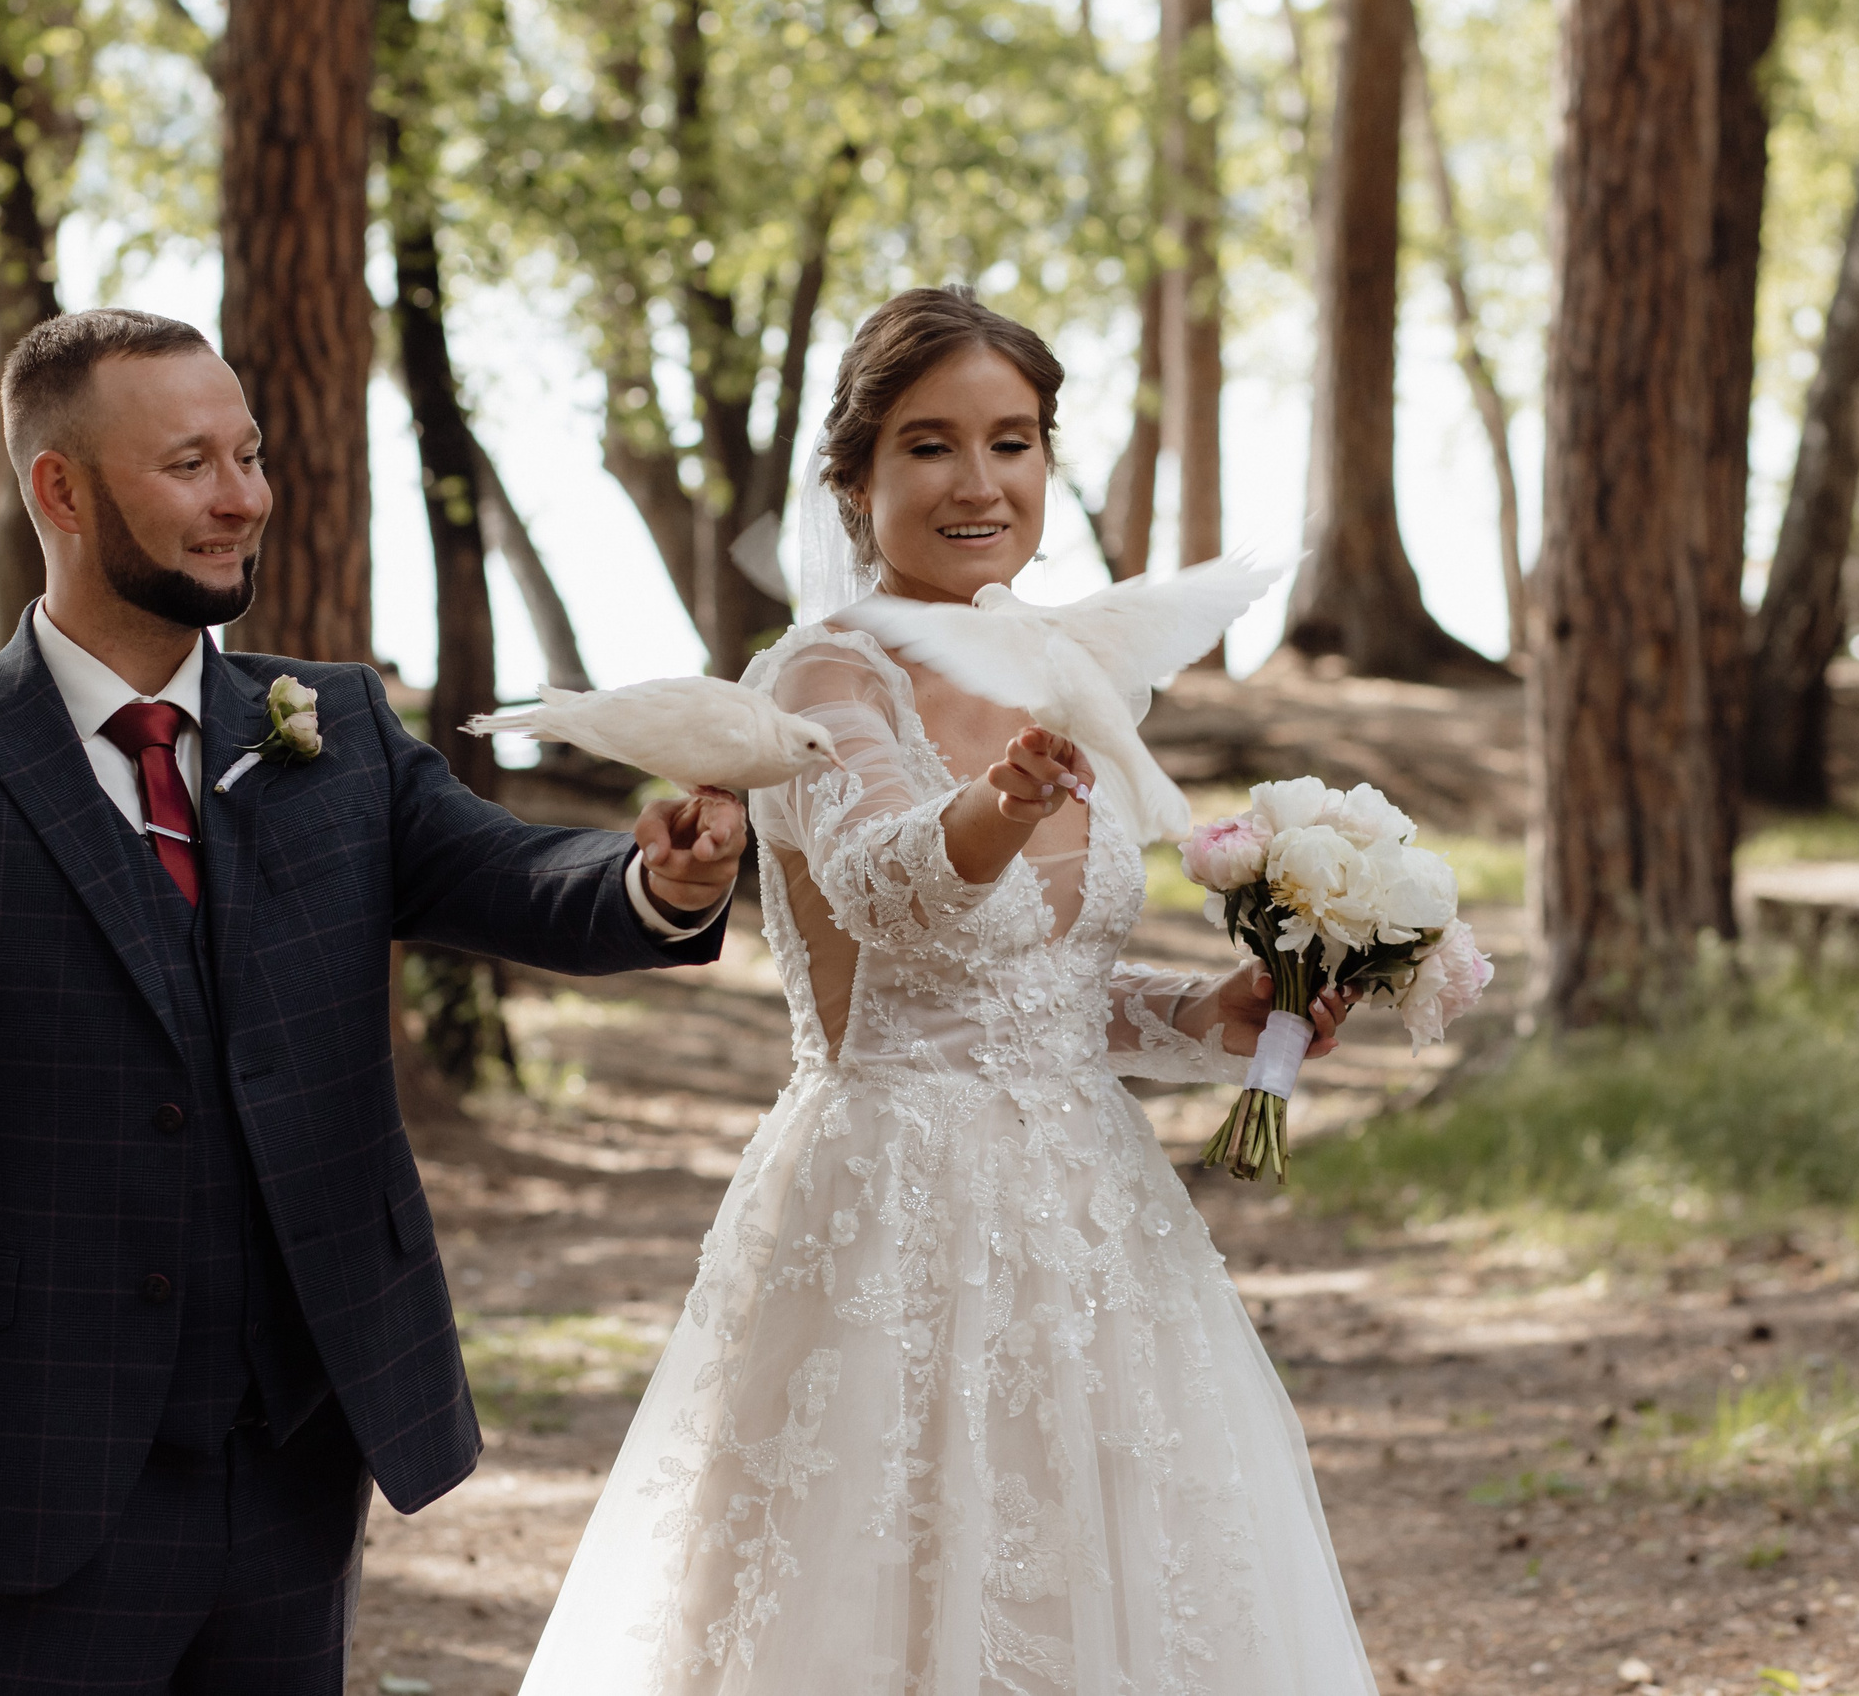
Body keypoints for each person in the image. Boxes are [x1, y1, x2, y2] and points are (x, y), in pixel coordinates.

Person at [0, 308, 744, 1692]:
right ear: (62, 492)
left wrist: (662, 884)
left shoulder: (331, 730)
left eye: (250, 453)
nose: (245, 499)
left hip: (295, 1459)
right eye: (191, 465)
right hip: (26, 1472)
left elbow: (520, 879)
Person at [518, 286, 1376, 1695]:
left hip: (1095, 1226)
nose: (979, 482)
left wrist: (1211, 1016)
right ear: (855, 480)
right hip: (889, 1214)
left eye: (1013, 441)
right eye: (929, 445)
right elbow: (889, 893)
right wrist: (998, 798)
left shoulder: (1065, 663)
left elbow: (1047, 991)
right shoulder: (822, 671)